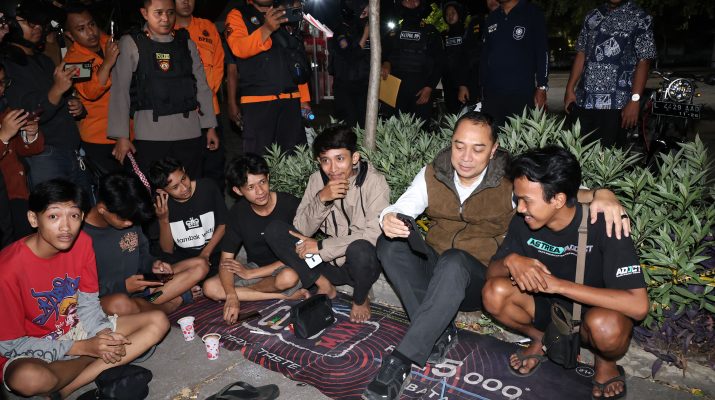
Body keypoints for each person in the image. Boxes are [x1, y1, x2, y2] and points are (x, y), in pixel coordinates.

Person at [362, 111, 631, 400]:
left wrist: (604, 194)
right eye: (459, 146)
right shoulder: (434, 172)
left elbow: (561, 194)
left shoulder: (510, 179)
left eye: (478, 149)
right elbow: (403, 206)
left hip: (476, 277)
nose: (466, 157)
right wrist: (390, 217)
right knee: (390, 244)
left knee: (454, 260)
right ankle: (438, 332)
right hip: (437, 269)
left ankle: (402, 359)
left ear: (493, 149)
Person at [483, 146, 649, 399]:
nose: (520, 208)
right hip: (546, 310)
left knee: (606, 327)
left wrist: (558, 285)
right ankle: (543, 340)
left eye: (527, 200)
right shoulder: (524, 221)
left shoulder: (604, 223)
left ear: (558, 200)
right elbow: (491, 274)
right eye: (518, 199)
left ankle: (606, 362)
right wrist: (511, 261)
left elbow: (638, 306)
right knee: (493, 293)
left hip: (594, 315)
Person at [0, 179, 169, 399]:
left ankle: (66, 388)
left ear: (82, 216)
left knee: (158, 322)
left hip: (76, 326)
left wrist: (103, 335)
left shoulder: (83, 243)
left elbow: (88, 302)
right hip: (34, 345)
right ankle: (91, 359)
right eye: (53, 216)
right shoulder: (7, 270)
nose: (65, 227)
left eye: (74, 215)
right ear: (34, 218)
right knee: (28, 379)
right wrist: (86, 348)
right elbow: (10, 344)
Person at [264, 125, 389, 323]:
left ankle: (360, 297)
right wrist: (322, 199)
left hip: (360, 266)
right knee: (276, 230)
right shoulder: (317, 180)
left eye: (340, 159)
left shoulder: (375, 183)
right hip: (325, 265)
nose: (333, 169)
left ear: (354, 158)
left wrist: (321, 247)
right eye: (325, 161)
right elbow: (300, 228)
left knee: (361, 249)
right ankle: (323, 284)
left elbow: (373, 236)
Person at [108, 0, 219, 179]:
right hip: (151, 134)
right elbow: (120, 91)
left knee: (190, 185)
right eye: (158, 13)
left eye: (170, 12)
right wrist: (121, 136)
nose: (165, 18)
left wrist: (210, 126)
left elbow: (201, 86)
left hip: (189, 131)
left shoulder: (186, 42)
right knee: (154, 189)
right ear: (145, 13)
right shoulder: (131, 43)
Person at [202, 154, 309, 324]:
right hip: (255, 268)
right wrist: (231, 295)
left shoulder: (290, 204)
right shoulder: (238, 213)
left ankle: (248, 293)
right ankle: (282, 296)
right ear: (238, 191)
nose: (260, 191)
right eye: (250, 187)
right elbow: (226, 260)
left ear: (268, 178)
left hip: (288, 266)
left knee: (288, 277)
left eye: (262, 182)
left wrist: (250, 274)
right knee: (210, 287)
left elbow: (302, 252)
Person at [84, 172, 209, 316]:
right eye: (124, 219)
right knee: (119, 305)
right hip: (113, 297)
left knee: (200, 265)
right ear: (102, 209)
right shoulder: (80, 235)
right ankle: (170, 304)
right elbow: (81, 291)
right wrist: (123, 287)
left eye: (132, 219)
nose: (130, 223)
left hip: (145, 289)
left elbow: (144, 256)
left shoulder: (130, 216)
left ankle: (149, 304)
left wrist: (154, 265)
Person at [0, 1, 88, 189]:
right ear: (11, 24)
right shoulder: (7, 65)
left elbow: (61, 99)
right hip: (44, 155)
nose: (37, 27)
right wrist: (57, 90)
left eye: (40, 22)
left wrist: (76, 106)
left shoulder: (44, 60)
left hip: (72, 150)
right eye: (29, 22)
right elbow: (27, 113)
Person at [564, 0, 657, 147]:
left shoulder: (640, 18)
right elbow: (581, 52)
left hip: (615, 105)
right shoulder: (593, 15)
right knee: (576, 151)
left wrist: (634, 100)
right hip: (583, 101)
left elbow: (644, 61)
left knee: (608, 156)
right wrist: (570, 89)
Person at [224, 0, 312, 155]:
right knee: (259, 161)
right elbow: (239, 48)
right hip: (258, 103)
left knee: (295, 159)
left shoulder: (284, 12)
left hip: (291, 100)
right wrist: (266, 29)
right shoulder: (238, 14)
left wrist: (304, 99)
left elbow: (296, 56)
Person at [63, 5, 124, 174]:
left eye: (92, 24)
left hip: (127, 131)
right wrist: (108, 63)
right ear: (70, 35)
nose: (91, 32)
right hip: (99, 137)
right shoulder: (73, 61)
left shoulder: (108, 42)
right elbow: (91, 92)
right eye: (81, 29)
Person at [175, 0, 226, 192]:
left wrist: (205, 94)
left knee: (214, 166)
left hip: (210, 109)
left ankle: (216, 205)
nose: (186, 2)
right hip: (180, 113)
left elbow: (219, 64)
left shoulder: (207, 27)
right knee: (186, 167)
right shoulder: (164, 30)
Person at [149, 156, 227, 275]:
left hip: (214, 252)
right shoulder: (161, 206)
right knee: (162, 270)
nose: (184, 188)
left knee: (212, 282)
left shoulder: (208, 187)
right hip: (183, 259)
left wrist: (205, 254)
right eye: (175, 187)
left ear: (184, 170)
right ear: (162, 191)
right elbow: (167, 250)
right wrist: (163, 219)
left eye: (184, 178)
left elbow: (224, 223)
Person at [480, 0, 548, 128]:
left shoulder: (532, 12)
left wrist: (542, 86)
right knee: (492, 135)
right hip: (492, 94)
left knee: (520, 136)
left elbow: (542, 52)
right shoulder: (492, 17)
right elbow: (485, 55)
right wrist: (482, 86)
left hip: (522, 93)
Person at [0, 62, 44, 241]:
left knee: (23, 245)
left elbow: (20, 149)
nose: (1, 87)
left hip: (16, 193)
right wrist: (3, 136)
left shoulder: (5, 109)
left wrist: (30, 134)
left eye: (3, 82)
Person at [381, 0, 443, 123]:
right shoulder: (394, 31)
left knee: (420, 130)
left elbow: (440, 62)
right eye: (406, 0)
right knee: (393, 129)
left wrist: (429, 87)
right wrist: (385, 63)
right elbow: (383, 54)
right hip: (395, 90)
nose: (410, 2)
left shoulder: (431, 31)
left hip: (421, 91)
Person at [328, 0, 369, 128]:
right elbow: (351, 56)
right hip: (345, 87)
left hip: (363, 85)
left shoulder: (363, 29)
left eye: (368, 13)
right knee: (349, 125)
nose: (366, 17)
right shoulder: (341, 32)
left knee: (363, 124)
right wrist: (365, 35)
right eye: (363, 13)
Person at [456, 0, 499, 106]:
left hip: (504, 81)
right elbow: (464, 54)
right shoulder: (476, 21)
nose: (492, 1)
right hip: (475, 78)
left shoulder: (516, 19)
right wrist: (462, 84)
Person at [441, 1, 468, 114]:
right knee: (452, 114)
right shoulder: (443, 35)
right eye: (447, 14)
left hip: (465, 81)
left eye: (453, 13)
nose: (450, 16)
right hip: (448, 82)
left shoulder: (467, 33)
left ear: (459, 14)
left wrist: (465, 83)